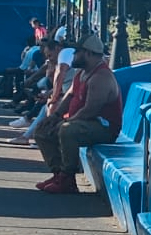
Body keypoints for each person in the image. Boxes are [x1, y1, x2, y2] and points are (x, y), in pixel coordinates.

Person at [32, 32, 122, 194]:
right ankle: (58, 173)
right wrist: (55, 116)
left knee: (67, 130)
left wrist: (66, 122)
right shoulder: (82, 73)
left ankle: (68, 178)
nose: (73, 55)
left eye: (77, 52)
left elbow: (90, 110)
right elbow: (70, 96)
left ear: (87, 53)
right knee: (42, 130)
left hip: (103, 128)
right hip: (82, 122)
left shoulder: (101, 77)